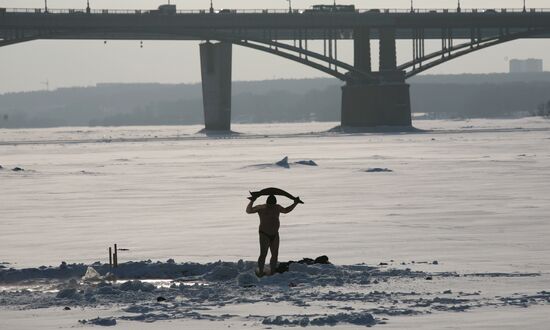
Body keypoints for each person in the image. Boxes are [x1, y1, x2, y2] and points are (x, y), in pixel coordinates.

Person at [246, 194, 300, 277]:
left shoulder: (277, 207)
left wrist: (295, 203)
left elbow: (286, 210)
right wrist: (252, 201)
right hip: (264, 234)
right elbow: (248, 211)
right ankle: (260, 272)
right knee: (263, 254)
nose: (271, 206)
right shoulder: (261, 207)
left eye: (273, 205)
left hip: (275, 234)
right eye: (270, 205)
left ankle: (272, 271)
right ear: (267, 203)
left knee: (275, 254)